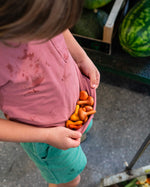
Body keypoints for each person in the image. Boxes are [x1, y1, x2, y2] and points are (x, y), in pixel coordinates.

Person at [0, 1, 100, 187]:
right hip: (46, 136)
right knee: (68, 181)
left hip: (75, 99)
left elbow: (58, 26)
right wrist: (47, 136)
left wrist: (81, 57)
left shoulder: (40, 13)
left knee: (83, 129)